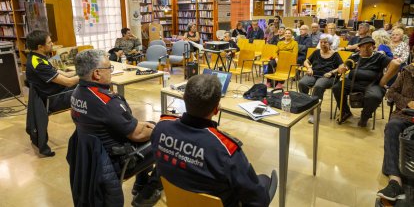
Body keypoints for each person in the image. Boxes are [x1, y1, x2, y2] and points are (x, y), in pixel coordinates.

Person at [151, 74, 275, 206]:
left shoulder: (161, 127)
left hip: (178, 201)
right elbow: (258, 199)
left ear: (184, 98)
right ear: (216, 109)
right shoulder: (226, 150)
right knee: (265, 181)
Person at [70, 49, 161, 206]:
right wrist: (160, 128)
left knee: (148, 127)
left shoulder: (77, 93)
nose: (111, 71)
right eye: (109, 68)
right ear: (97, 74)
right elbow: (137, 135)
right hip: (116, 161)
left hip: (92, 156)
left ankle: (140, 183)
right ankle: (147, 193)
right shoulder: (107, 102)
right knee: (166, 141)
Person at [26, 30, 79, 156]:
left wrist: (79, 71)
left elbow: (65, 74)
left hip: (53, 94)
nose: (52, 45)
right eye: (49, 43)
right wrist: (87, 74)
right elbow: (69, 83)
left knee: (86, 82)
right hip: (54, 99)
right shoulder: (39, 64)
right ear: (40, 47)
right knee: (89, 87)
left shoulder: (36, 58)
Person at [333, 36, 400, 127]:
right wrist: (343, 68)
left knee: (374, 96)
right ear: (359, 48)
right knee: (337, 88)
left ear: (373, 47)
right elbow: (345, 65)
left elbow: (396, 64)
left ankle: (364, 117)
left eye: (369, 46)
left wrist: (383, 81)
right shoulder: (354, 56)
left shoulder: (379, 56)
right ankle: (345, 112)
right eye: (363, 46)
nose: (366, 49)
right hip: (354, 82)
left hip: (373, 84)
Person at [377, 62, 414, 202]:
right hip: (404, 114)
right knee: (392, 126)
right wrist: (408, 102)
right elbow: (391, 92)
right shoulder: (407, 72)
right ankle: (395, 181)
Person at [298, 34, 342, 123]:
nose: (322, 44)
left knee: (318, 86)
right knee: (302, 83)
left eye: (325, 42)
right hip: (314, 74)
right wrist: (309, 68)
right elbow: (306, 61)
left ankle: (315, 112)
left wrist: (332, 72)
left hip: (327, 76)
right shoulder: (316, 52)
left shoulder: (335, 54)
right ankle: (307, 104)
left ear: (330, 43)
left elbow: (341, 66)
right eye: (321, 42)